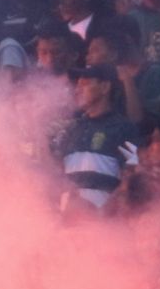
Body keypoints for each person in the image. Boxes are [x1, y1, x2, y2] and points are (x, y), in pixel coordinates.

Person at [51, 64, 140, 210]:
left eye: (85, 84)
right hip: (68, 223)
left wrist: (103, 215)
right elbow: (57, 172)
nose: (77, 90)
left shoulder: (123, 128)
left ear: (105, 87)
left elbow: (131, 177)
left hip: (102, 226)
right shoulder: (71, 128)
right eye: (77, 84)